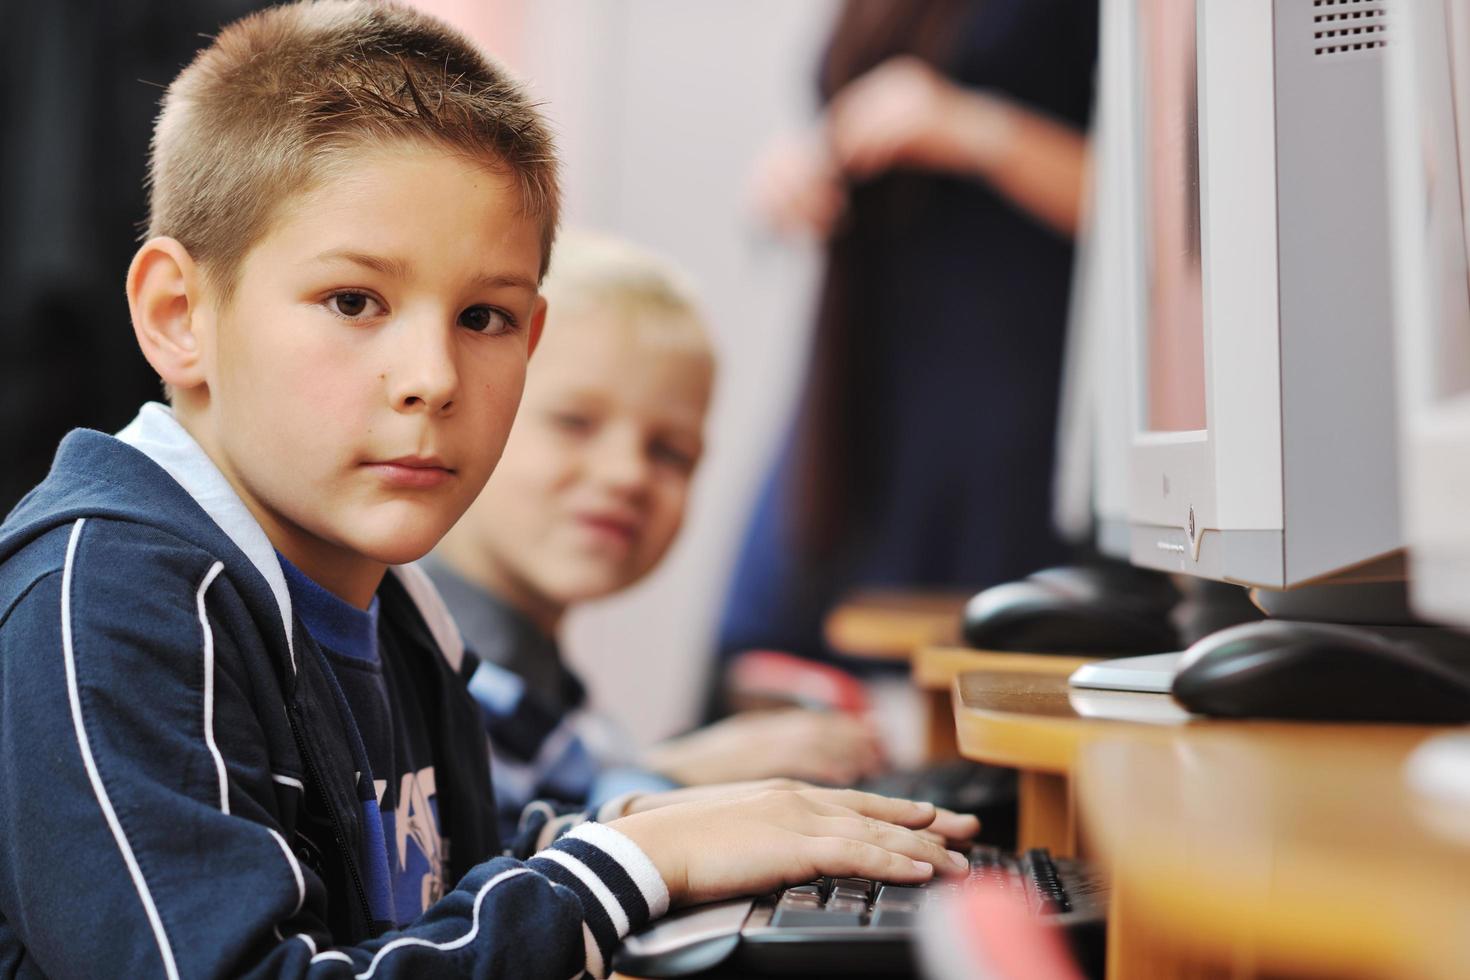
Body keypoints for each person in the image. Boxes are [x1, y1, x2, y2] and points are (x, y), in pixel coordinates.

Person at [0, 4, 977, 977]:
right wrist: (634, 859)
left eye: (483, 316)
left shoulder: (393, 606)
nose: (433, 374)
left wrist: (669, 827)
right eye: (354, 301)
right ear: (179, 314)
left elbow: (439, 887)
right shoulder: (114, 598)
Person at [426, 234, 887, 839]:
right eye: (575, 422)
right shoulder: (427, 670)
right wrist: (675, 774)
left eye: (670, 452)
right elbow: (499, 871)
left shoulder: (544, 680)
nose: (627, 475)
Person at [717, 0, 1098, 686]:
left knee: (995, 677)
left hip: (1016, 399)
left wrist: (976, 129)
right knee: (765, 659)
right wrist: (795, 168)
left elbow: (1161, 203)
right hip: (862, 391)